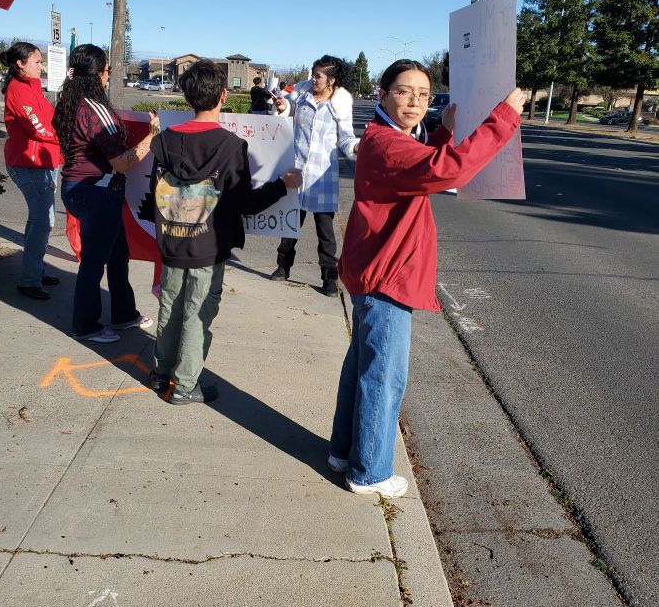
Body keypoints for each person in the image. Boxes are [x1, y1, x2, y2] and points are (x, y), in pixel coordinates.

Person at [329, 58, 525, 498]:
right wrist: (504, 116)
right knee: (383, 376)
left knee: (360, 369)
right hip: (387, 275)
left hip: (374, 269)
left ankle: (343, 453)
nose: (416, 101)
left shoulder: (387, 139)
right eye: (404, 91)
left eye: (424, 94)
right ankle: (370, 473)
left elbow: (422, 165)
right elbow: (446, 171)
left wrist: (442, 133)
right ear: (381, 95)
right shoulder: (386, 144)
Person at [149, 59, 302, 405]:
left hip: (172, 239)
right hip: (209, 243)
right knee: (197, 313)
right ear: (222, 96)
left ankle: (161, 372)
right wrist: (281, 185)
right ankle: (185, 386)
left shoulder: (163, 141)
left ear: (187, 98)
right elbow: (244, 203)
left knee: (170, 306)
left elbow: (153, 195)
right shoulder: (231, 146)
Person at [53, 44, 157, 343]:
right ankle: (86, 325)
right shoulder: (96, 110)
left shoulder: (69, 101)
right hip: (97, 192)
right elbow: (122, 163)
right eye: (108, 68)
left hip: (80, 187)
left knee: (117, 252)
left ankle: (124, 314)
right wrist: (151, 137)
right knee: (95, 261)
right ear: (99, 73)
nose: (109, 73)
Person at [270, 55, 358, 296]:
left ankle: (329, 278)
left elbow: (345, 137)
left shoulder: (339, 104)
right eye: (313, 73)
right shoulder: (302, 95)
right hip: (296, 171)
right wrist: (282, 107)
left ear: (332, 80)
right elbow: (285, 111)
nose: (313, 79)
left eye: (318, 75)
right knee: (290, 223)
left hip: (323, 175)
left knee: (325, 231)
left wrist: (356, 147)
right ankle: (283, 266)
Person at [1, 42, 61, 300]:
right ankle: (29, 279)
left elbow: (48, 120)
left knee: (42, 220)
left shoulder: (31, 87)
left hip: (44, 162)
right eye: (37, 61)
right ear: (20, 64)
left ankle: (35, 269)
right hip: (29, 163)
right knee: (42, 220)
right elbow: (38, 128)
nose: (41, 65)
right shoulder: (19, 90)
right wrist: (66, 138)